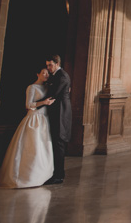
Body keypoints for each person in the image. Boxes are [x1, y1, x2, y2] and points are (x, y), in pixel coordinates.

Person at [0, 66, 54, 188]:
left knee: (43, 147)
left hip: (44, 119)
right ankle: (26, 176)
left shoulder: (47, 87)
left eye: (47, 73)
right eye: (43, 73)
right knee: (31, 147)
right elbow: (28, 105)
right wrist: (43, 102)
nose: (46, 75)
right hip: (34, 119)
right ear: (37, 74)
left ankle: (43, 175)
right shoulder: (31, 87)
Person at [44, 54, 71, 185]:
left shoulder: (62, 76)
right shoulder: (56, 76)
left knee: (59, 144)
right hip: (56, 113)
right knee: (56, 144)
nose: (48, 68)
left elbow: (53, 94)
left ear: (57, 63)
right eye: (47, 65)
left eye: (50, 65)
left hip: (61, 114)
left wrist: (34, 103)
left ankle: (59, 175)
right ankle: (57, 173)